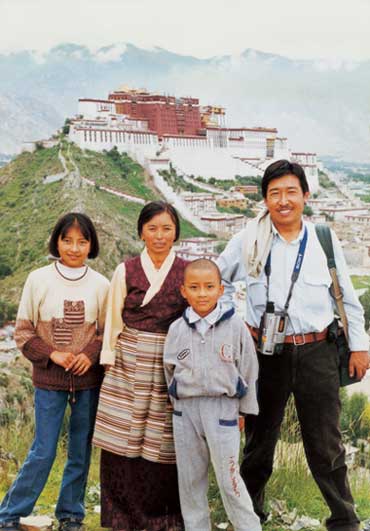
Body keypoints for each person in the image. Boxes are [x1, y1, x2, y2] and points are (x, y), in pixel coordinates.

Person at [217, 159, 370, 531]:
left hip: (317, 351)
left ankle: (344, 520)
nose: (283, 201)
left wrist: (360, 347)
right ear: (265, 199)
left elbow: (346, 297)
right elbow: (214, 281)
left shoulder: (323, 239)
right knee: (259, 441)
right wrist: (237, 327)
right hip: (264, 355)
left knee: (326, 444)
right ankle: (249, 516)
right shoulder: (248, 239)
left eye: (290, 192)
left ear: (305, 195)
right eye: (274, 194)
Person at [0, 213, 109, 531]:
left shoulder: (101, 285)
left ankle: (71, 513)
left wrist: (89, 355)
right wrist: (54, 354)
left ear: (91, 244)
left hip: (88, 383)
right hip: (49, 381)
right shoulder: (38, 279)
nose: (74, 247)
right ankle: (9, 513)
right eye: (67, 240)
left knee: (80, 449)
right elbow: (23, 333)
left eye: (82, 241)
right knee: (44, 449)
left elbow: (106, 334)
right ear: (56, 241)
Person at [93, 201, 188, 531]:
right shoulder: (126, 269)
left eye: (166, 228)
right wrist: (108, 361)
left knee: (162, 442)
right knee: (122, 440)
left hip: (168, 363)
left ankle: (160, 516)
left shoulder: (186, 271)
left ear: (176, 232)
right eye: (152, 228)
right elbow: (113, 319)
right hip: (128, 360)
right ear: (141, 232)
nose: (160, 236)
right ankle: (121, 515)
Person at [163, 258, 261, 531]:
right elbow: (168, 369)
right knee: (190, 480)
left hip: (223, 411)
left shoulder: (235, 327)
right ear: (183, 291)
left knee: (230, 481)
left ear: (221, 289)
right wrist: (177, 403)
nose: (202, 293)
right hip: (186, 414)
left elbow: (249, 369)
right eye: (194, 287)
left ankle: (248, 527)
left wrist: (243, 410)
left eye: (209, 286)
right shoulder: (177, 329)